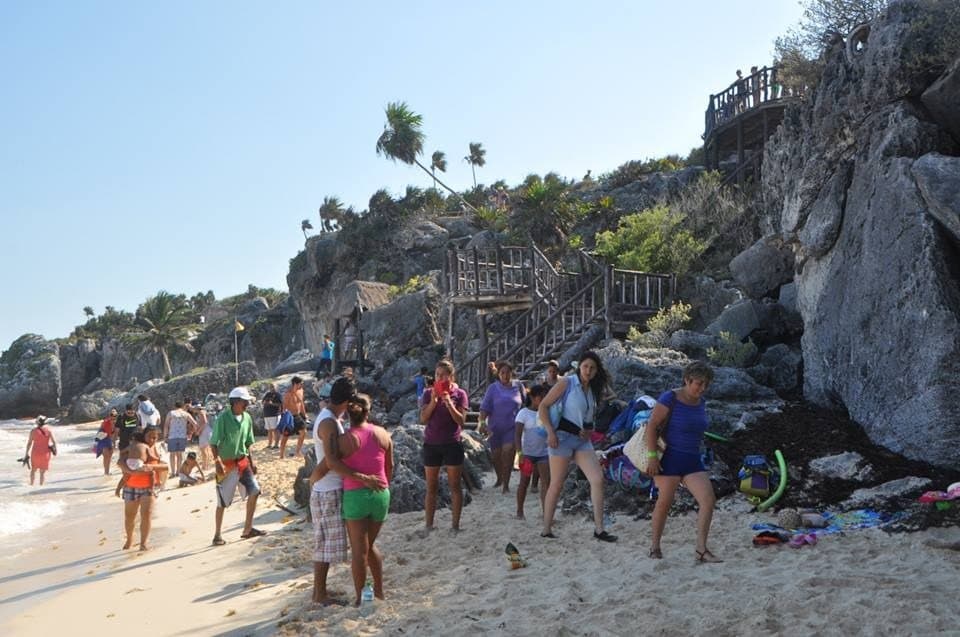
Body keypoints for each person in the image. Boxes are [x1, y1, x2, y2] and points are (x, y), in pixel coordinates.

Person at [308, 376, 384, 606]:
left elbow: (330, 460)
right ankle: (319, 594)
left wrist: (314, 476)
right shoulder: (329, 423)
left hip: (332, 486)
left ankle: (321, 592)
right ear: (347, 401)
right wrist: (364, 478)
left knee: (331, 544)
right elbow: (332, 461)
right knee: (325, 546)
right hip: (328, 490)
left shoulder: (333, 418)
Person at [645, 361, 722, 563]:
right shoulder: (670, 398)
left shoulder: (701, 402)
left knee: (708, 500)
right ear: (687, 380)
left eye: (706, 384)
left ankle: (701, 549)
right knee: (664, 502)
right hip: (669, 458)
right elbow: (651, 426)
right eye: (699, 383)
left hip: (692, 459)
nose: (702, 388)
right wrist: (652, 457)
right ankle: (655, 547)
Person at [539, 351, 617, 542]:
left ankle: (599, 530)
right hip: (562, 438)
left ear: (596, 370)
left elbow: (587, 417)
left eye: (592, 368)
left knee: (597, 479)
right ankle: (546, 529)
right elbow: (543, 406)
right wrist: (550, 432)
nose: (588, 371)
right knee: (556, 483)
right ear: (579, 366)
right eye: (585, 366)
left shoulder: (592, 389)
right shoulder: (567, 382)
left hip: (582, 440)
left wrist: (588, 430)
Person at [337, 393, 393, 607]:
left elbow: (335, 465)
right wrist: (381, 484)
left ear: (348, 414)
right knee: (370, 547)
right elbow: (390, 468)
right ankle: (379, 593)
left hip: (355, 496)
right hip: (381, 494)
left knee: (359, 551)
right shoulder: (382, 433)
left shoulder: (345, 439)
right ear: (369, 412)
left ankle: (362, 598)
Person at [211, 387, 264, 545]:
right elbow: (214, 443)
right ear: (235, 402)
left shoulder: (247, 417)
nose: (247, 404)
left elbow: (247, 444)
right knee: (223, 502)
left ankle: (247, 528)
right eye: (244, 401)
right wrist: (217, 462)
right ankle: (217, 535)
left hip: (243, 462)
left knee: (255, 491)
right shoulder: (223, 418)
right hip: (226, 465)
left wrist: (252, 463)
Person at [419, 359, 468, 531]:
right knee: (431, 487)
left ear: (451, 376)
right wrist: (434, 401)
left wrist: (449, 404)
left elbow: (461, 421)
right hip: (431, 443)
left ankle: (455, 525)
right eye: (437, 375)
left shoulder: (460, 394)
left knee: (454, 485)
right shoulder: (427, 393)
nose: (439, 378)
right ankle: (429, 525)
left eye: (443, 375)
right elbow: (423, 419)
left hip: (452, 442)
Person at [479, 360, 525, 493]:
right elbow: (484, 408)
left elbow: (526, 404)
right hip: (494, 429)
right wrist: (482, 423)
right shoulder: (493, 388)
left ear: (512, 373)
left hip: (512, 428)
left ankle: (506, 483)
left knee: (508, 452)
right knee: (495, 456)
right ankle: (500, 478)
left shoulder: (519, 386)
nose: (505, 375)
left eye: (508, 372)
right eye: (502, 373)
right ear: (498, 374)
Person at [121, 426, 167, 551]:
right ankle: (129, 539)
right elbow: (120, 461)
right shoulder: (136, 447)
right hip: (131, 485)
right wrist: (131, 471)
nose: (152, 439)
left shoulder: (158, 449)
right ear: (143, 436)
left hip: (149, 487)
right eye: (149, 437)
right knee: (130, 516)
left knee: (146, 514)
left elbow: (165, 466)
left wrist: (149, 467)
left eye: (155, 437)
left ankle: (143, 543)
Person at [514, 384, 550, 519]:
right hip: (528, 454)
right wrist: (520, 453)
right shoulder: (523, 413)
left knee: (546, 482)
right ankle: (519, 510)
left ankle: (546, 511)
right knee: (524, 482)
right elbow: (517, 435)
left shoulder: (547, 412)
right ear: (532, 397)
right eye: (541, 397)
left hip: (544, 453)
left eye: (545, 396)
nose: (543, 399)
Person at [163, 400, 197, 477]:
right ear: (182, 406)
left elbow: (166, 425)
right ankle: (178, 472)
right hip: (182, 436)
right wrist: (191, 433)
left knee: (172, 455)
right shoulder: (186, 414)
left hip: (172, 436)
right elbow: (195, 424)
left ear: (175, 406)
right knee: (179, 455)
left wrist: (165, 436)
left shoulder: (171, 413)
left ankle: (173, 472)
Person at [114, 404, 142, 496]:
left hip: (135, 444)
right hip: (123, 443)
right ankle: (126, 480)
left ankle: (132, 480)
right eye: (128, 411)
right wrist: (114, 441)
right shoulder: (121, 417)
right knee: (123, 463)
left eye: (132, 411)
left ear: (134, 410)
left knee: (135, 462)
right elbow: (117, 430)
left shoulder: (138, 416)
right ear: (125, 410)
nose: (130, 413)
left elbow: (140, 428)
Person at [280, 376, 308, 459]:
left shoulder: (301, 391)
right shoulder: (288, 394)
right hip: (289, 416)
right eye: (300, 384)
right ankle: (281, 454)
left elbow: (301, 403)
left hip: (298, 415)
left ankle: (297, 451)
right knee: (286, 436)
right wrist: (283, 418)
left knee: (304, 432)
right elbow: (284, 407)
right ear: (295, 384)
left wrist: (304, 414)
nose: (302, 385)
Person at [25, 416, 56, 486]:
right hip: (45, 453)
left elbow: (29, 443)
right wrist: (54, 450)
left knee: (33, 470)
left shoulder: (33, 431)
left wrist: (26, 453)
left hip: (35, 453)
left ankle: (31, 485)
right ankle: (41, 486)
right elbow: (54, 442)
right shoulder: (48, 431)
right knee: (42, 472)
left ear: (37, 422)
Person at [96, 408, 118, 476]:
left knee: (110, 455)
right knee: (106, 456)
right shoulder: (105, 422)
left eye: (115, 415)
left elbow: (115, 434)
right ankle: (106, 472)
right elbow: (102, 433)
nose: (113, 417)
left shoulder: (117, 423)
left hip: (110, 438)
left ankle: (107, 471)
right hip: (103, 439)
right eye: (111, 415)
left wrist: (114, 443)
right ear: (109, 415)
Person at [261, 384, 283, 450]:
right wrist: (264, 402)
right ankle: (269, 444)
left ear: (276, 387)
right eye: (270, 387)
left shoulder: (278, 395)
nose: (271, 388)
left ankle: (276, 444)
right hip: (267, 414)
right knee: (269, 430)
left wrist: (272, 403)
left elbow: (280, 404)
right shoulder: (267, 394)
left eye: (273, 386)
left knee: (275, 430)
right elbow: (263, 402)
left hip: (274, 414)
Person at [198, 403, 216, 471]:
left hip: (205, 432)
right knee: (207, 449)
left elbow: (205, 422)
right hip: (208, 431)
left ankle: (205, 466)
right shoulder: (204, 411)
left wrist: (199, 431)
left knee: (203, 450)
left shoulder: (201, 412)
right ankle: (207, 465)